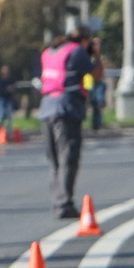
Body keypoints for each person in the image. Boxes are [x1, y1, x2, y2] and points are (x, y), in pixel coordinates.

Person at [39, 22, 92, 219]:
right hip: (66, 109)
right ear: (84, 41)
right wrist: (97, 54)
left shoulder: (49, 52)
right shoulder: (77, 52)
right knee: (68, 157)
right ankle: (64, 204)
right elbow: (94, 73)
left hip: (46, 108)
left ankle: (58, 202)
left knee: (54, 160)